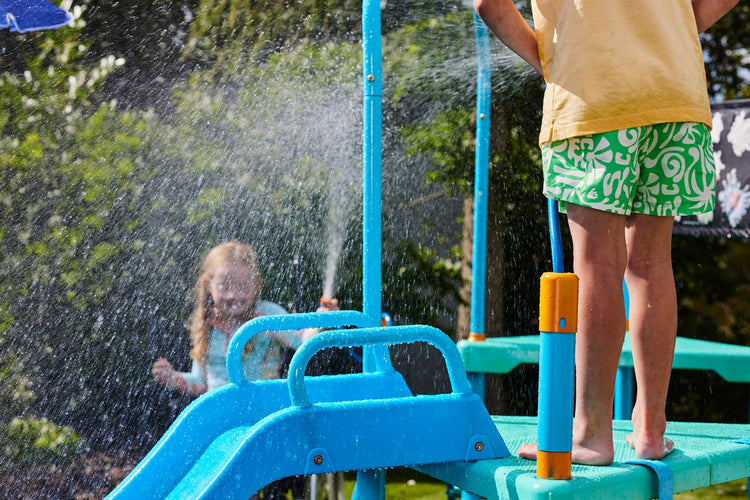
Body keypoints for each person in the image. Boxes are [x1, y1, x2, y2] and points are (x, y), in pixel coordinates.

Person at [473, 0, 739, 465]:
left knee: (598, 263)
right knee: (653, 262)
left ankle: (592, 433)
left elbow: (487, 4)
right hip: (675, 93)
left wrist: (548, 60)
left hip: (594, 94)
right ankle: (651, 429)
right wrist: (673, 28)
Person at [152, 240, 302, 395]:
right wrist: (173, 379)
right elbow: (202, 383)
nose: (233, 295)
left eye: (243, 287)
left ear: (256, 284)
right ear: (208, 284)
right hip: (221, 414)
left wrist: (320, 323)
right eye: (225, 286)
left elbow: (302, 341)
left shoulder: (267, 316)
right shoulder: (207, 323)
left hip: (264, 411)